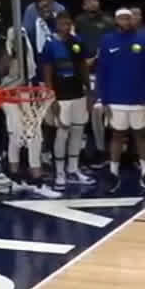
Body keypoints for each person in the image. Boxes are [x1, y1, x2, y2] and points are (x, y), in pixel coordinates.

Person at [96, 7, 145, 185]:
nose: (125, 21)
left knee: (141, 136)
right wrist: (103, 99)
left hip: (140, 99)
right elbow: (102, 71)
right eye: (122, 18)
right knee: (117, 135)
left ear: (133, 20)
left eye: (128, 18)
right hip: (115, 100)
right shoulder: (107, 40)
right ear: (116, 21)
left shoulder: (144, 39)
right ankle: (113, 173)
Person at [41, 11, 95, 187]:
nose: (65, 26)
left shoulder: (77, 41)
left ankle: (73, 168)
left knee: (78, 131)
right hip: (61, 95)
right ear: (57, 25)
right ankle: (59, 172)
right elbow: (47, 72)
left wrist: (89, 91)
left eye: (67, 23)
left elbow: (83, 66)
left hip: (78, 93)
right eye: (62, 23)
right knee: (62, 132)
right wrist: (52, 97)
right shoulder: (50, 44)